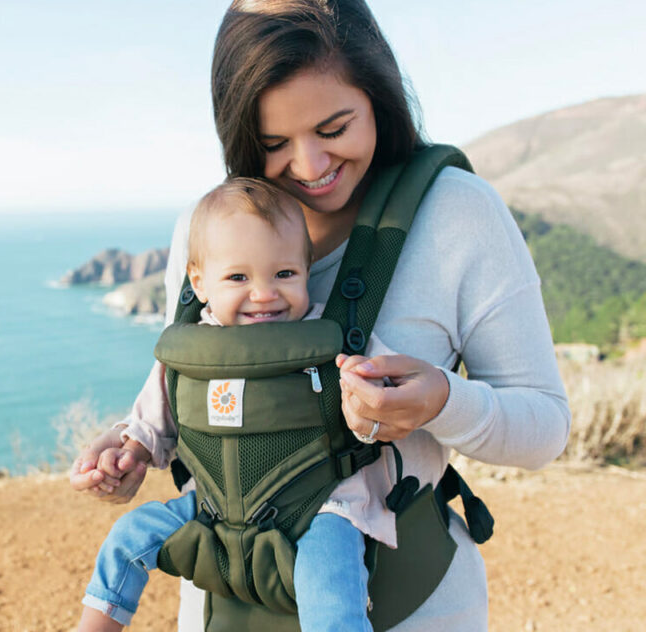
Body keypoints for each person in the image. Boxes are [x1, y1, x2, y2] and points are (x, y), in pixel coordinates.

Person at [71, 1, 570, 630]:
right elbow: (205, 373)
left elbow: (545, 427)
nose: (310, 167)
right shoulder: (205, 231)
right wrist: (130, 445)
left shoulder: (458, 216)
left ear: (379, 99)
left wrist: (442, 402)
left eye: (334, 128)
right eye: (274, 143)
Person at [77, 178, 389, 632]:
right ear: (200, 283)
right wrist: (130, 452)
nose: (263, 294)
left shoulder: (333, 339)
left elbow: (383, 399)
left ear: (308, 268)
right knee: (128, 538)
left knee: (331, 583)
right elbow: (150, 424)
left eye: (284, 274)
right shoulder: (190, 354)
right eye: (238, 277)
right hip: (212, 505)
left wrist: (374, 394)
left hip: (320, 506)